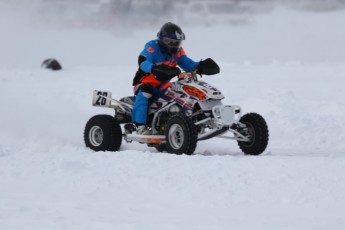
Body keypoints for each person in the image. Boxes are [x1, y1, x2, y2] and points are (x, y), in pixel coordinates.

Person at [131, 22, 214, 135]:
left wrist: (200, 66)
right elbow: (143, 61)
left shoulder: (178, 51)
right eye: (170, 42)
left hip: (163, 85)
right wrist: (154, 68)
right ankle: (140, 126)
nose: (173, 45)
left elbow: (187, 64)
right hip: (145, 83)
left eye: (177, 42)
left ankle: (187, 121)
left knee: (182, 92)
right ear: (162, 39)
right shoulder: (152, 47)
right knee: (146, 91)